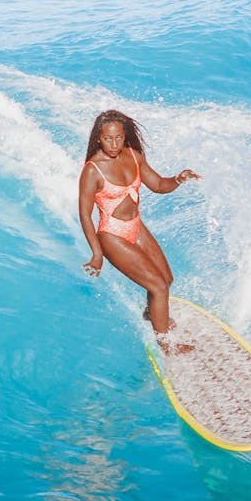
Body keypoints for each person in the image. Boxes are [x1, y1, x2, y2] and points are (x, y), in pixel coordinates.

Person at [78, 110, 200, 349]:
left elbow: (158, 185)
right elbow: (85, 214)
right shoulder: (92, 170)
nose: (113, 144)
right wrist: (96, 253)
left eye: (118, 138)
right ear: (98, 138)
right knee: (158, 286)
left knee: (166, 279)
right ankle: (166, 344)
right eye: (107, 139)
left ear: (125, 137)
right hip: (112, 235)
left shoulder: (133, 156)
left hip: (136, 227)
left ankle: (152, 314)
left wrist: (178, 179)